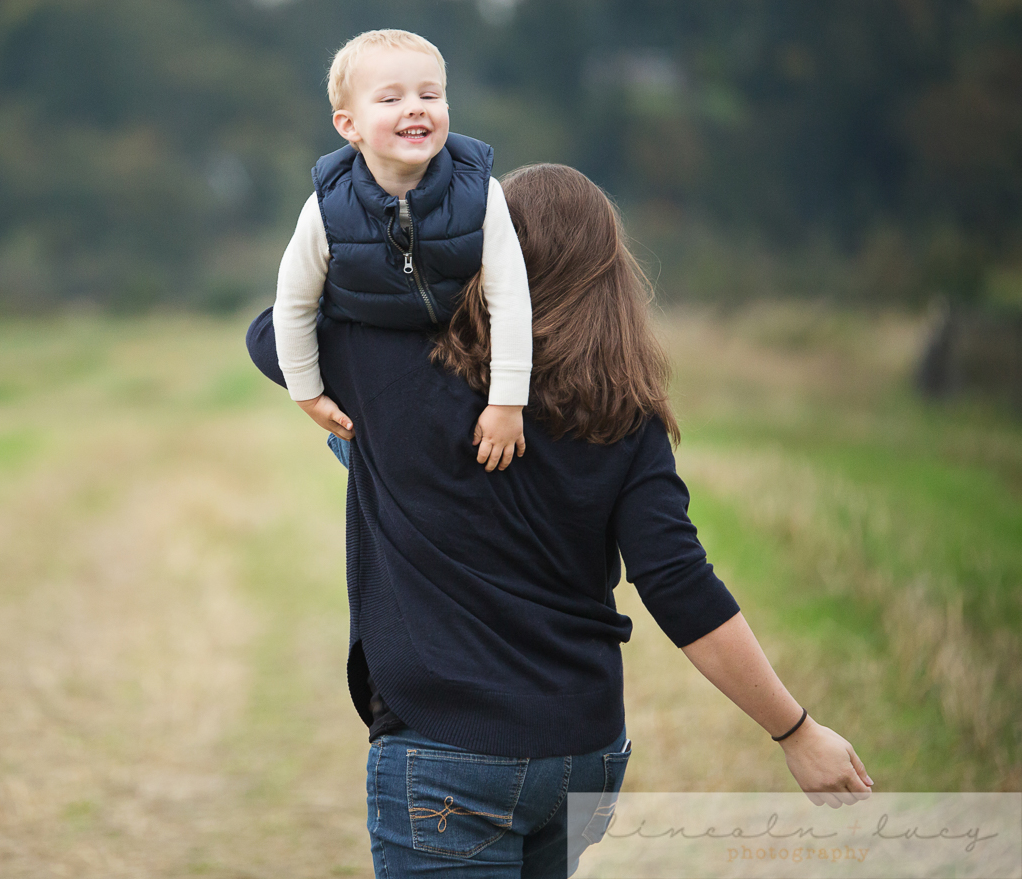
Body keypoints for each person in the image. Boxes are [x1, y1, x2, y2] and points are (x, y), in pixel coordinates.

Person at [245, 163, 873, 878]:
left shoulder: (391, 364)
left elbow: (273, 332)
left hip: (447, 752)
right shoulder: (626, 416)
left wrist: (418, 268)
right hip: (583, 753)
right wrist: (795, 731)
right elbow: (678, 586)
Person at [273, 29, 533, 473]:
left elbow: (509, 299)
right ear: (348, 125)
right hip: (371, 372)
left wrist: (507, 404)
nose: (415, 106)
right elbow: (294, 305)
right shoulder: (326, 210)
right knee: (386, 474)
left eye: (429, 95)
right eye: (390, 100)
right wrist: (309, 394)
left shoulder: (482, 195)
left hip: (459, 360)